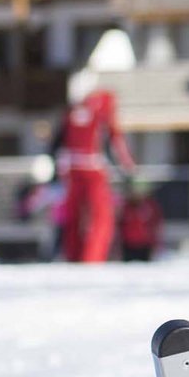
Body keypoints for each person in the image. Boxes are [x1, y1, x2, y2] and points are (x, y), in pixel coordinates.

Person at [50, 89, 135, 263]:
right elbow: (115, 142)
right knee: (102, 217)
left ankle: (74, 255)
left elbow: (56, 143)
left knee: (73, 216)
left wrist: (56, 171)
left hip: (72, 170)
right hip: (94, 168)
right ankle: (93, 257)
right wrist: (128, 169)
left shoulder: (71, 113)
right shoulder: (102, 113)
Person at [118, 179, 164, 262]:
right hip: (129, 245)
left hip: (145, 245)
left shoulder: (150, 206)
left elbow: (156, 225)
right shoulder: (125, 207)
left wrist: (155, 243)